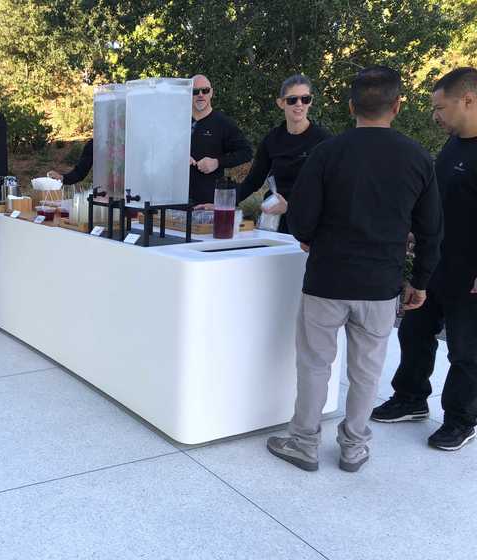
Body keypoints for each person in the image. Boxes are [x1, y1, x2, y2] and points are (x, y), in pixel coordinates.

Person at [266, 66, 443, 473]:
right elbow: (432, 230)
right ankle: (354, 447)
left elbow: (302, 219)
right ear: (397, 106)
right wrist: (421, 281)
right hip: (381, 285)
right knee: (366, 371)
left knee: (314, 364)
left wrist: (309, 238)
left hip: (326, 279)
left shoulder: (327, 152)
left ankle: (304, 442)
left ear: (351, 107)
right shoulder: (418, 157)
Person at [371, 67, 477, 451]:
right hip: (437, 265)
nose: (436, 116)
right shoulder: (453, 145)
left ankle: (461, 420)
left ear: (467, 99)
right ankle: (411, 398)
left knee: (466, 350)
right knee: (414, 331)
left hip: (470, 274)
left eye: (440, 107)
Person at [236, 75, 332, 233]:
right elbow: (253, 181)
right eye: (292, 100)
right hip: (273, 221)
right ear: (281, 103)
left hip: (308, 224)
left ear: (311, 101)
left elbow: (331, 190)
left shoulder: (323, 141)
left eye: (305, 99)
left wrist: (290, 207)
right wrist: (224, 203)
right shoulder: (272, 139)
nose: (299, 104)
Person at [189, 74, 252, 205]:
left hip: (208, 204)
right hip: (177, 202)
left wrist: (217, 162)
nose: (200, 95)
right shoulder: (179, 122)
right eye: (195, 91)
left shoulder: (223, 123)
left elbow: (246, 152)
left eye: (205, 90)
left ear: (211, 93)